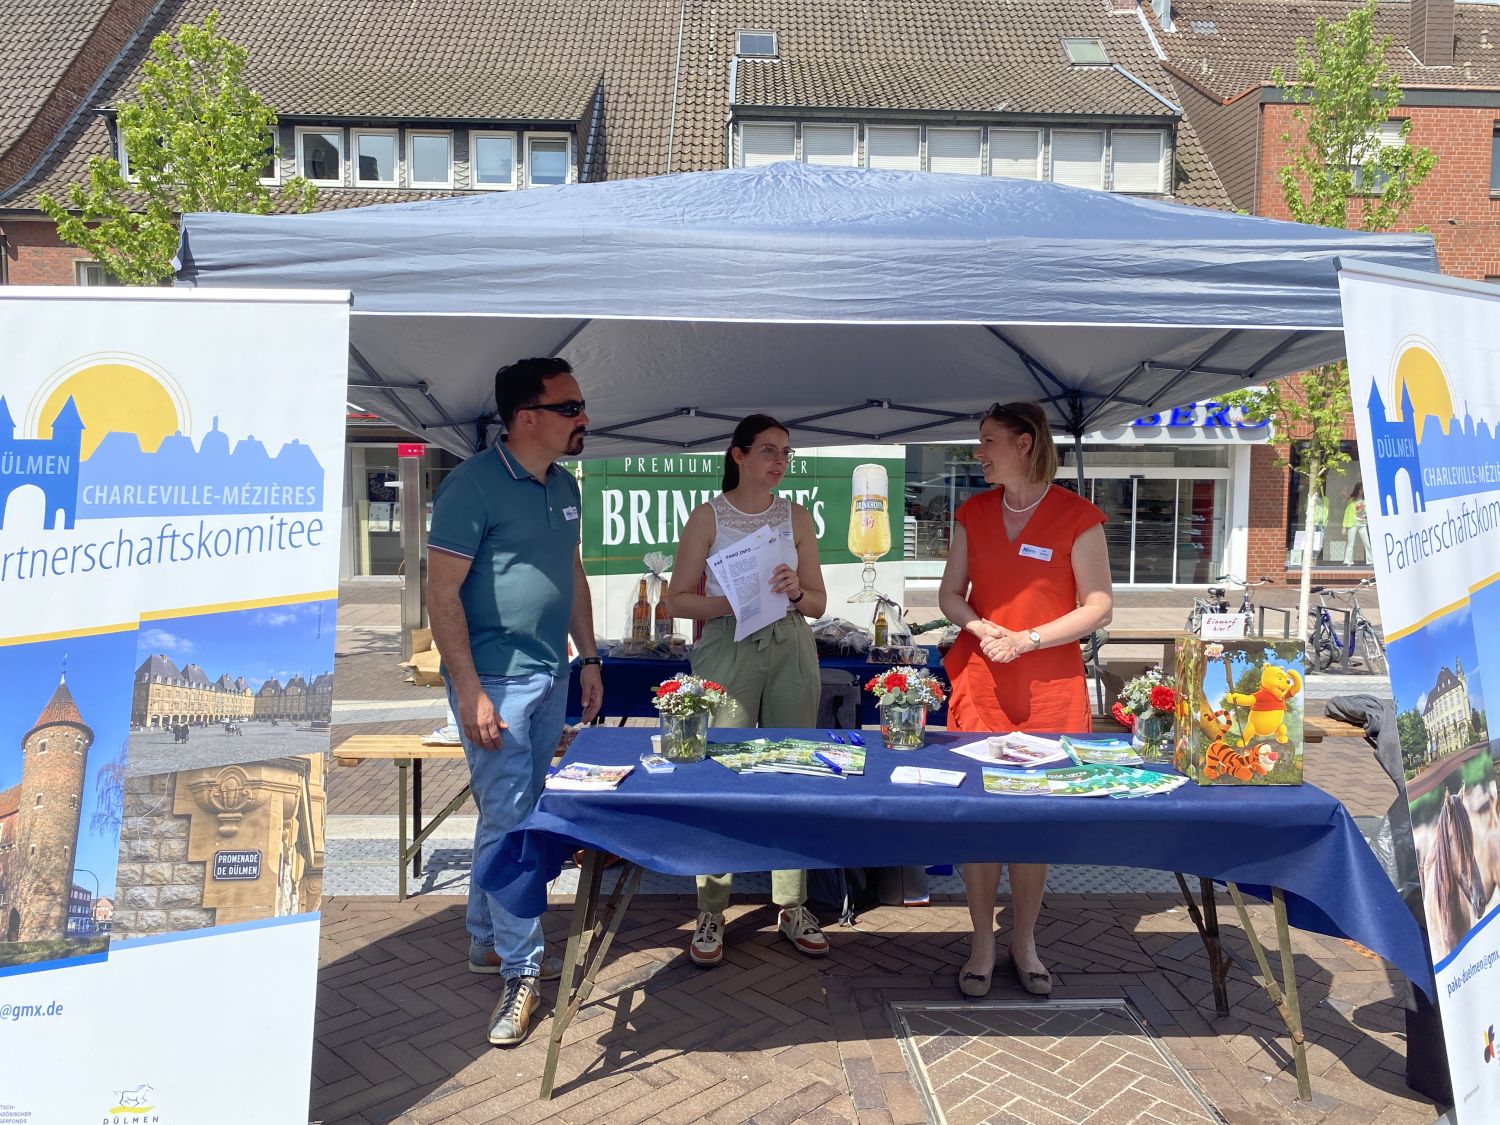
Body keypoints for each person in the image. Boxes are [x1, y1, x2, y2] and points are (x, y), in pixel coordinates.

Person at [426, 356, 604, 1048]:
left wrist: (588, 656)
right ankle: (522, 970)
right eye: (570, 407)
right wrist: (470, 691)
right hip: (495, 684)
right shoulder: (471, 486)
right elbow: (441, 596)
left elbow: (572, 573)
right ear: (527, 418)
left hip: (551, 675)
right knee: (514, 820)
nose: (584, 417)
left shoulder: (565, 485)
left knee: (506, 817)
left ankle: (485, 938)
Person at [938, 401, 1113, 999]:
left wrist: (1029, 639)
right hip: (982, 680)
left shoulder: (1078, 517)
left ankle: (1024, 940)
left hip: (1049, 686)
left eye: (988, 440)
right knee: (980, 813)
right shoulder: (972, 512)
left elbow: (1098, 606)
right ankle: (981, 943)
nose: (978, 452)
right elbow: (950, 594)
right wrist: (981, 627)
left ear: (1025, 444)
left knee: (1034, 817)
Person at [666, 414, 831, 968]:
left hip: (789, 642)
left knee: (792, 768)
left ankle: (792, 903)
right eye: (768, 450)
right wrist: (731, 603)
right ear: (737, 455)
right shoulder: (708, 516)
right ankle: (712, 907)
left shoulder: (797, 516)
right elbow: (676, 600)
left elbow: (819, 603)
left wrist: (796, 589)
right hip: (728, 641)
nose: (779, 461)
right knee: (720, 772)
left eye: (786, 452)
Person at [1343, 483, 1370, 566]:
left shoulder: (1366, 499)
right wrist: (1344, 527)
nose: (1362, 491)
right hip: (1353, 523)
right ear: (1357, 490)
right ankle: (1348, 561)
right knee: (1351, 543)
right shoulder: (1351, 500)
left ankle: (1370, 561)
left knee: (1367, 543)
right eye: (1360, 489)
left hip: (1363, 523)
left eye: (1363, 489)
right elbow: (1347, 513)